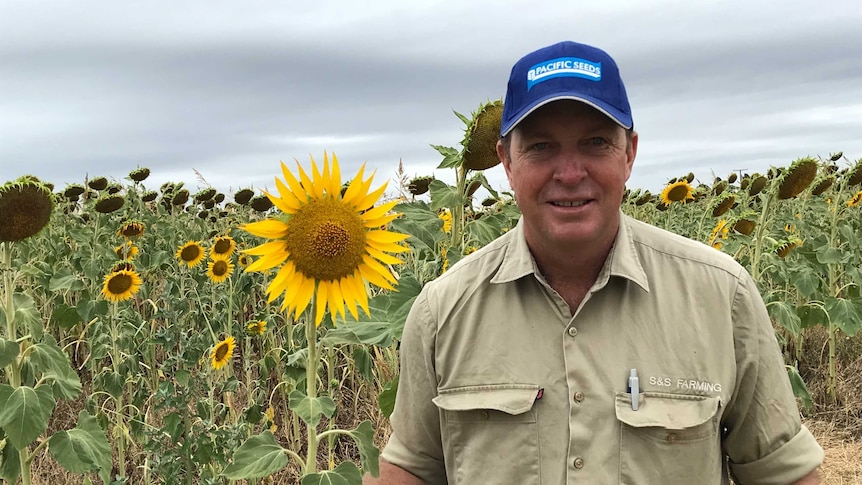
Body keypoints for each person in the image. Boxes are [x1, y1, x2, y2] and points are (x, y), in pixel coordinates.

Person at [364, 40, 824, 484]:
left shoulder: (721, 296)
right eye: (541, 146)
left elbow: (782, 472)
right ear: (506, 161)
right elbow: (411, 470)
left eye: (596, 143)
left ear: (629, 154)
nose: (569, 173)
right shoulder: (442, 311)